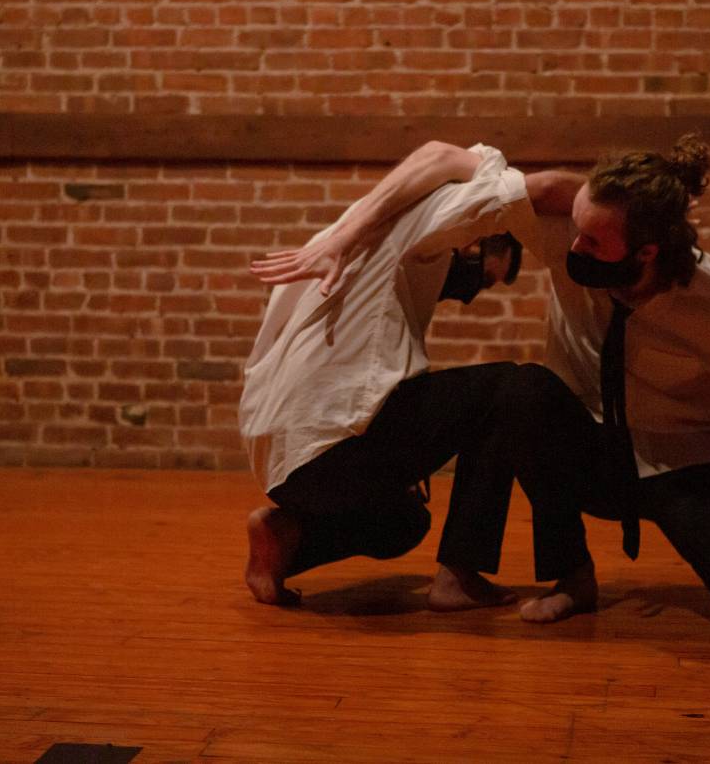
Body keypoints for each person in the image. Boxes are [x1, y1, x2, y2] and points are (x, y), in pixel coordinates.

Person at [269, 133, 710, 634]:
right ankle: (573, 577)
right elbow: (455, 164)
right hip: (593, 450)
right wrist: (341, 240)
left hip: (684, 467)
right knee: (522, 392)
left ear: (646, 254)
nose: (574, 244)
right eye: (576, 227)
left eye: (593, 240)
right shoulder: (568, 228)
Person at [238, 139, 568, 612]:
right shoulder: (432, 215)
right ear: (478, 238)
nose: (480, 287)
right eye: (491, 272)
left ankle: (286, 536)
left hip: (283, 464)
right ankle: (459, 576)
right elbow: (535, 185)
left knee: (404, 522)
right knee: (510, 388)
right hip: (332, 449)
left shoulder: (344, 232)